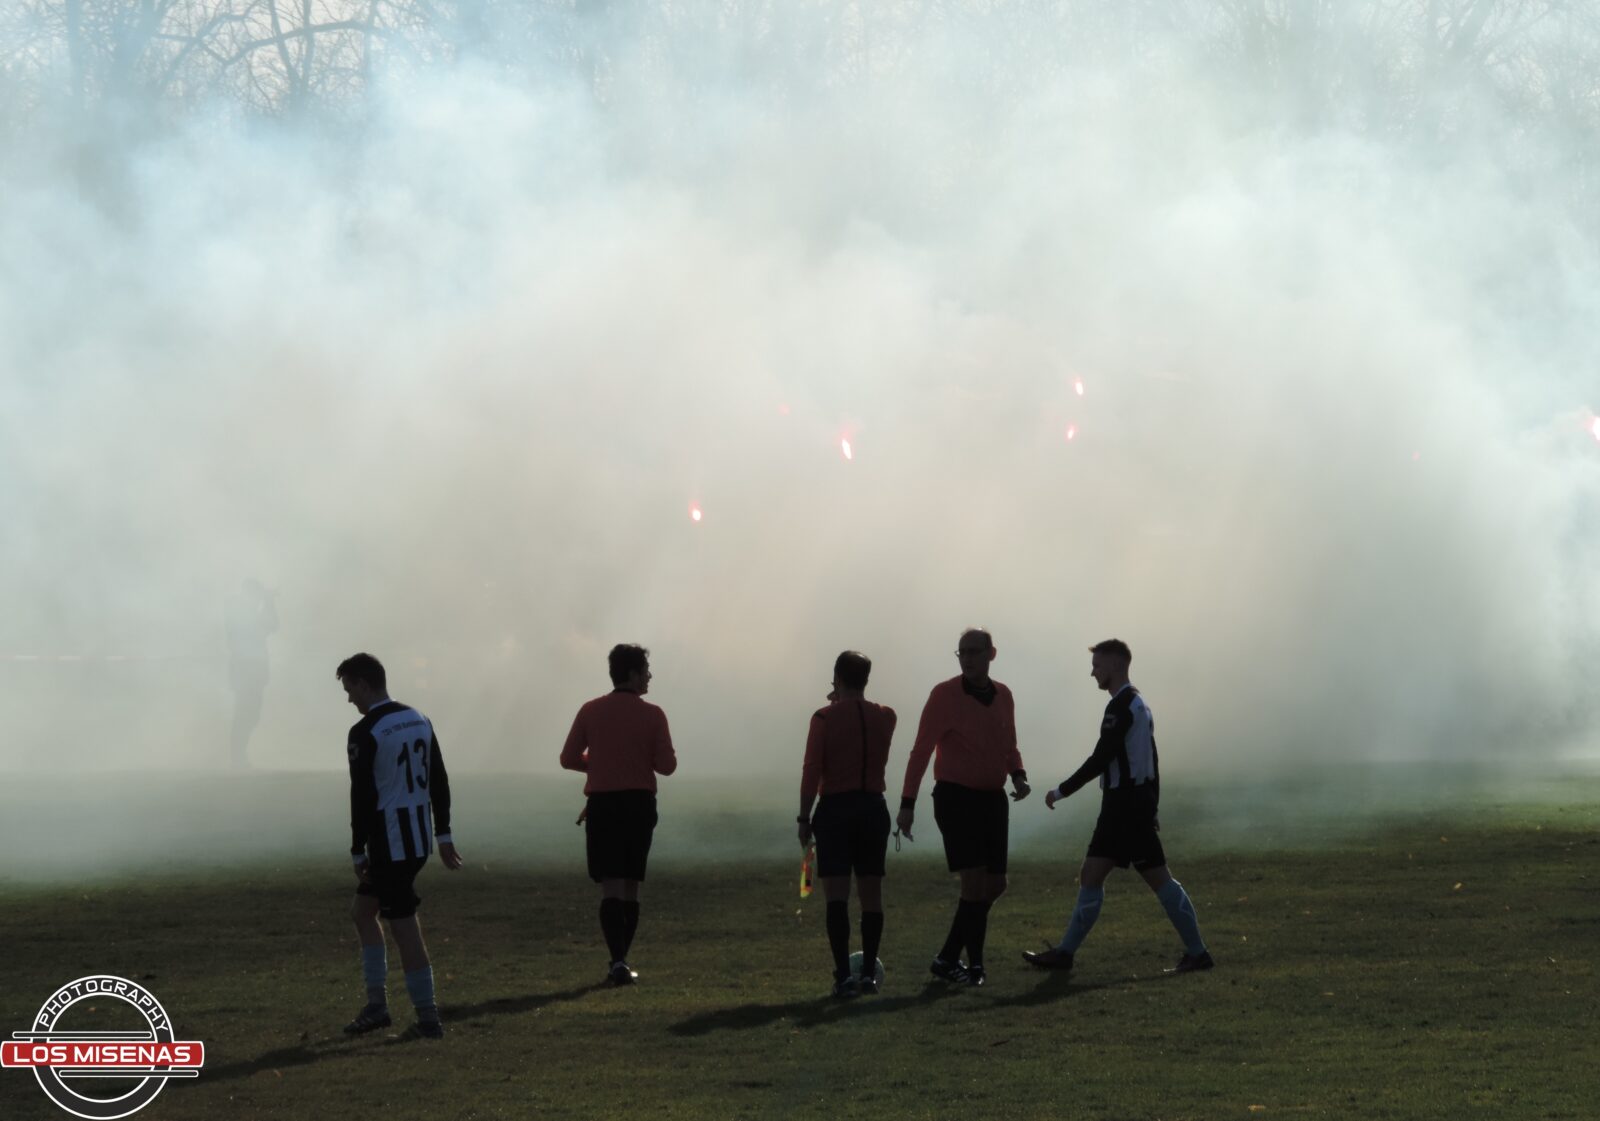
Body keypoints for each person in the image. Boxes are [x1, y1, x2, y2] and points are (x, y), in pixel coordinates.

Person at [1023, 638, 1213, 974]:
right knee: (1099, 874)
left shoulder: (1121, 707)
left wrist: (1061, 791)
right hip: (1131, 805)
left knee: (1149, 878)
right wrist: (1151, 805)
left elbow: (1101, 757)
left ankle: (1197, 953)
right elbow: (1151, 761)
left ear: (1113, 665)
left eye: (1097, 665)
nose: (1092, 672)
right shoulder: (1139, 704)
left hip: (1124, 808)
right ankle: (1066, 954)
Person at [337, 652, 463, 1040]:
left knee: (404, 927)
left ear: (363, 683)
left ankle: (428, 1019)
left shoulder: (365, 731)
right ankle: (377, 1005)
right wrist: (443, 833)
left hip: (389, 843)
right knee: (363, 912)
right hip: (416, 839)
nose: (348, 700)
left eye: (349, 690)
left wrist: (358, 849)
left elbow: (362, 794)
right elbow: (438, 778)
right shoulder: (418, 718)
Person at [896, 628, 1030, 986]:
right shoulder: (944, 695)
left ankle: (964, 962)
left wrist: (1018, 775)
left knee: (995, 884)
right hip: (957, 798)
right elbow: (921, 750)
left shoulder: (1004, 695)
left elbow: (1009, 743)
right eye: (962, 652)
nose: (968, 658)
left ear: (992, 654)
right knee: (973, 884)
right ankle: (962, 961)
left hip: (993, 798)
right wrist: (907, 803)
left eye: (974, 651)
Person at [560, 643, 678, 985]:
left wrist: (599, 765)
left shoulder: (590, 710)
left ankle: (617, 961)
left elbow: (568, 758)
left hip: (603, 806)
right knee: (631, 883)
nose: (650, 677)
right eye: (646, 671)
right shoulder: (653, 715)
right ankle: (622, 959)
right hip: (639, 806)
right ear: (633, 674)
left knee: (610, 884)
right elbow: (667, 766)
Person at [797, 651, 898, 997]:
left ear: (836, 678)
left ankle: (843, 975)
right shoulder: (886, 716)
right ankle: (869, 972)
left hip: (836, 810)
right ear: (866, 679)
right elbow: (864, 716)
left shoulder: (823, 718)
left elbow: (812, 770)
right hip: (873, 807)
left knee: (836, 897)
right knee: (872, 895)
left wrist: (803, 816)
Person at [225, 578, 277, 767]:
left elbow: (272, 625)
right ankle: (237, 757)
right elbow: (266, 625)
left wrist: (268, 602)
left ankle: (239, 755)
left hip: (253, 669)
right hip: (245, 668)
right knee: (244, 713)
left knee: (252, 714)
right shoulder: (237, 609)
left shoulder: (250, 611)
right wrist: (267, 602)